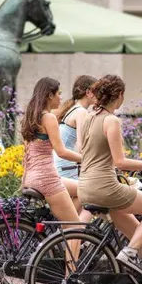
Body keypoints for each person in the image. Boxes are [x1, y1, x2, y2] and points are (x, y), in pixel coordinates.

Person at [77, 74, 142, 275]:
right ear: (119, 95)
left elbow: (90, 153)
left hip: (85, 186)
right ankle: (128, 253)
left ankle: (132, 278)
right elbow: (120, 161)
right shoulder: (111, 120)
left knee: (136, 234)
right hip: (105, 187)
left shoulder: (88, 118)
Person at [21, 77, 86, 224]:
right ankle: (67, 229)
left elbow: (26, 154)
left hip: (32, 177)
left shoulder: (31, 117)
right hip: (46, 178)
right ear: (50, 95)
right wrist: (87, 159)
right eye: (59, 93)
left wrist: (24, 180)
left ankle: (62, 229)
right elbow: (61, 151)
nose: (61, 97)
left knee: (85, 190)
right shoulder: (48, 117)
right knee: (76, 228)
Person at [53, 75, 97, 179]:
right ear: (88, 92)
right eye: (98, 91)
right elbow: (82, 146)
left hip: (60, 164)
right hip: (65, 167)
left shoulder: (73, 109)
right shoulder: (81, 112)